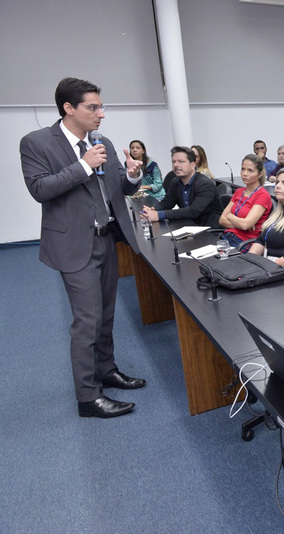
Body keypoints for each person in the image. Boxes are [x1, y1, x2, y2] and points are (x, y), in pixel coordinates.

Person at [20, 77, 146, 418]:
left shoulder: (102, 141)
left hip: (107, 238)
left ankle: (106, 370)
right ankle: (89, 398)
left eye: (101, 107)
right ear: (69, 108)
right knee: (87, 321)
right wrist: (84, 165)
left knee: (106, 314)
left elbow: (117, 188)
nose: (101, 114)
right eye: (93, 107)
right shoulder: (36, 142)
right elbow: (40, 189)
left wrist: (132, 175)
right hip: (74, 244)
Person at [142, 146, 223, 228]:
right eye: (173, 162)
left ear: (192, 165)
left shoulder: (205, 184)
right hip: (189, 225)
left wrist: (158, 215)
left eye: (181, 161)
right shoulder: (175, 182)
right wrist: (153, 209)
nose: (176, 165)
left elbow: (193, 211)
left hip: (210, 229)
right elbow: (167, 203)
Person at [218, 154, 273, 250]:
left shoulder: (263, 195)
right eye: (243, 169)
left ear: (260, 174)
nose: (245, 173)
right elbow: (222, 220)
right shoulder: (239, 192)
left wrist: (230, 216)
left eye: (250, 170)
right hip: (227, 237)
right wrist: (241, 224)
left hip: (244, 243)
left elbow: (245, 225)